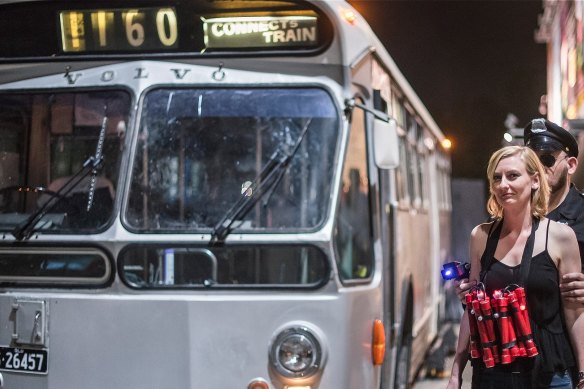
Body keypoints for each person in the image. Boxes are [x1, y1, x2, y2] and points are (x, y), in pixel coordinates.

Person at [446, 146, 584, 389]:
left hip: (550, 374)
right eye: (496, 177)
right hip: (492, 373)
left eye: (512, 176)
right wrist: (456, 371)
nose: (503, 185)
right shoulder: (481, 236)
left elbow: (575, 314)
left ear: (534, 181)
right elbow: (472, 309)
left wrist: (583, 375)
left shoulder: (561, 236)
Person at [458, 119, 584, 306]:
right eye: (532, 160)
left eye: (547, 159)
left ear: (571, 165)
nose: (539, 168)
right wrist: (471, 293)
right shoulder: (502, 220)